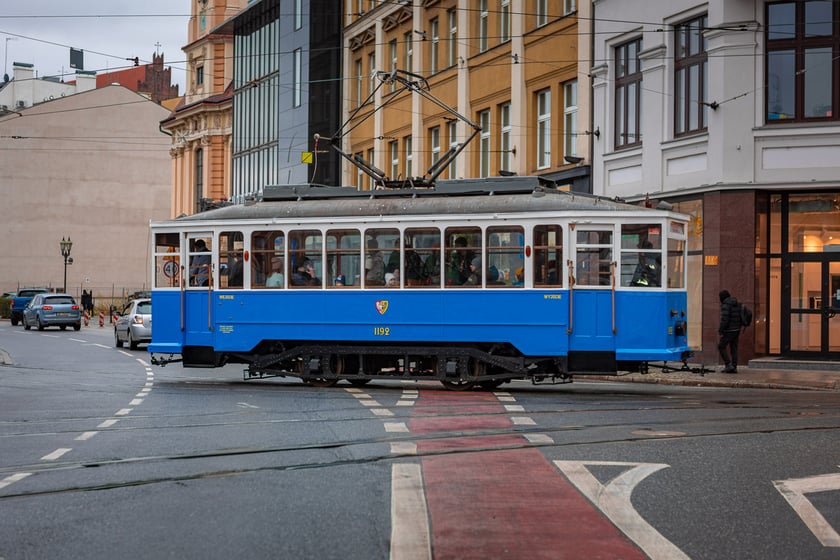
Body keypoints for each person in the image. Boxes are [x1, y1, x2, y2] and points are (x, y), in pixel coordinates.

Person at [718, 289, 742, 373]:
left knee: (721, 346)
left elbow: (725, 319)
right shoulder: (737, 304)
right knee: (734, 348)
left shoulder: (726, 305)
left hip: (729, 330)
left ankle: (728, 364)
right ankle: (734, 367)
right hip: (737, 329)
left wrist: (721, 330)